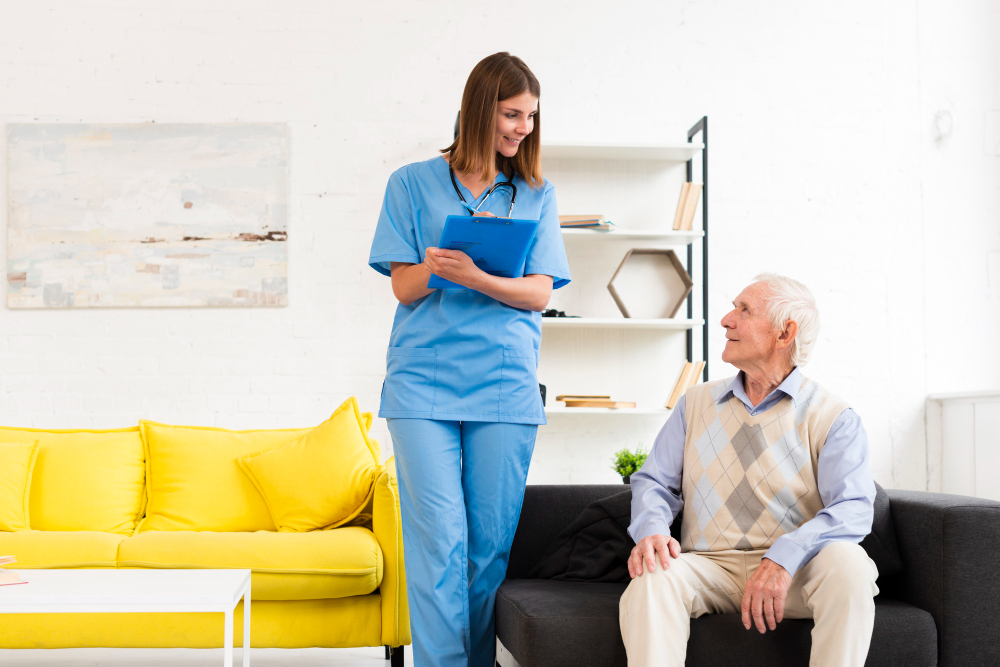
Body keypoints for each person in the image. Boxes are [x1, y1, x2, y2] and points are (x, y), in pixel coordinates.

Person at [367, 52, 571, 667]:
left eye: (531, 117)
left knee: (486, 550)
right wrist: (440, 265)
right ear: (479, 109)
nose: (522, 128)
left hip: (505, 384)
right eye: (512, 114)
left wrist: (478, 277)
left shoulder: (535, 192)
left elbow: (540, 292)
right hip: (422, 384)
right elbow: (403, 286)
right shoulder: (410, 183)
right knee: (438, 543)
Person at [619, 274, 879, 667]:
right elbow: (654, 481)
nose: (726, 319)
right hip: (708, 566)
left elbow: (854, 508)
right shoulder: (695, 403)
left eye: (744, 310)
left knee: (850, 565)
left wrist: (784, 556)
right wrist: (652, 529)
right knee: (651, 578)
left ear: (784, 333)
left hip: (795, 572)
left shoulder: (833, 417)